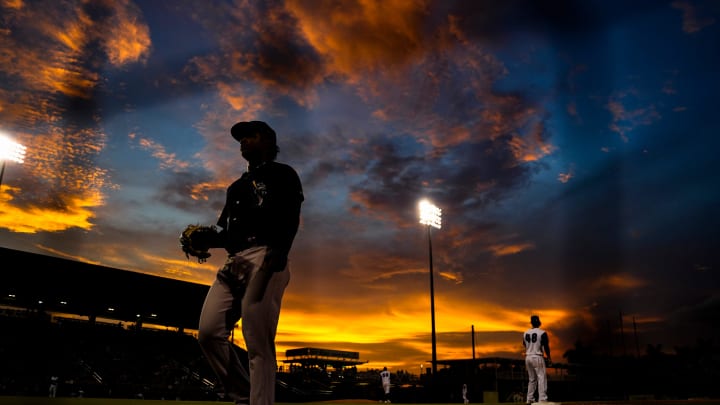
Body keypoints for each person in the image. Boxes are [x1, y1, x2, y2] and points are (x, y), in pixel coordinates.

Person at [197, 120, 304, 405]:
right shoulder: (236, 187)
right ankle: (243, 394)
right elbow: (227, 234)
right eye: (240, 138)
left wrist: (280, 251)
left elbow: (291, 214)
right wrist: (206, 239)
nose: (243, 141)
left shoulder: (283, 174)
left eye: (250, 136)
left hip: (264, 258)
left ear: (268, 141)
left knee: (257, 344)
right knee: (208, 332)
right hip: (235, 262)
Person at [523, 315, 551, 404]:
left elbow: (524, 344)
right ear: (539, 322)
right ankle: (542, 399)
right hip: (537, 356)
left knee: (532, 379)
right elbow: (546, 346)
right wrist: (549, 357)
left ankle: (530, 398)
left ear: (531, 323)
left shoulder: (525, 333)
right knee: (541, 377)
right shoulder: (542, 332)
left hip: (528, 357)